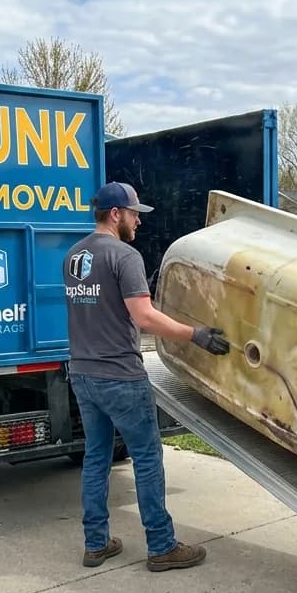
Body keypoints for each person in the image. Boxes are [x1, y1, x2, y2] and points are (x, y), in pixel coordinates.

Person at [63, 181, 231, 571]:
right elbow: (144, 317)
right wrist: (196, 335)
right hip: (120, 375)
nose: (139, 221)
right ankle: (161, 545)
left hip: (83, 373)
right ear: (116, 214)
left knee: (96, 458)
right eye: (135, 213)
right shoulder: (124, 256)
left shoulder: (73, 256)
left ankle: (96, 543)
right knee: (147, 458)